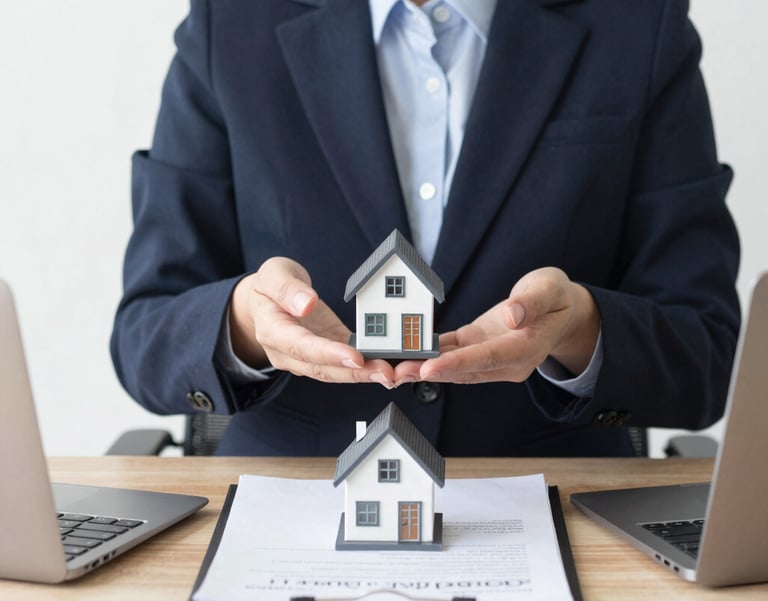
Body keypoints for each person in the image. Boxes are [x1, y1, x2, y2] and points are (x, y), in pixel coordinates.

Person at [111, 0, 740, 457]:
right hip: (290, 504)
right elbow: (144, 336)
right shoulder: (229, 25)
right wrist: (244, 327)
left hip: (556, 505)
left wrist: (582, 332)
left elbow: (707, 356)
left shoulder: (638, 26)